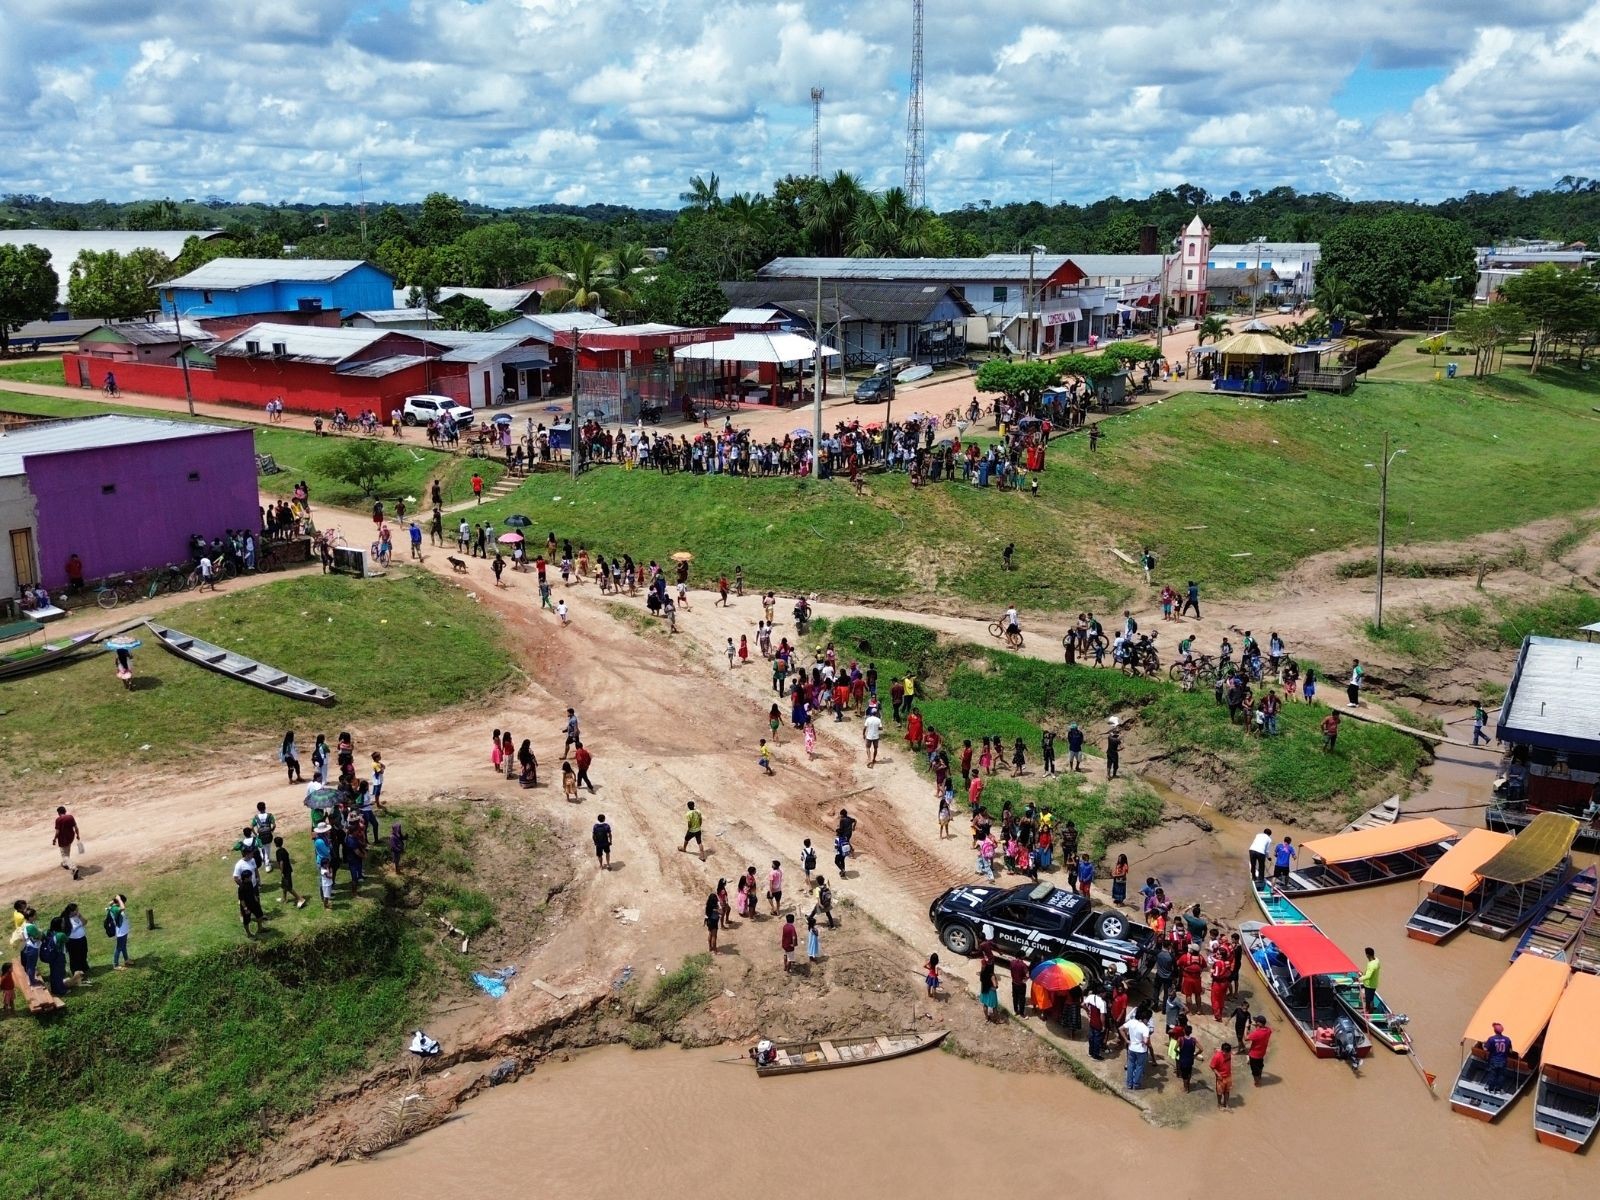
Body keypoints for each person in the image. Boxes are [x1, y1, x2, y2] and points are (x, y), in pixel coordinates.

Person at [1122, 1004, 1152, 1089]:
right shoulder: (1145, 1028)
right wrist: (1144, 1041)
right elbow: (1146, 1041)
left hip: (1131, 1048)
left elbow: (1121, 1029)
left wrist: (1126, 1040)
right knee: (1139, 1067)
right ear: (1145, 1019)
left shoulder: (1132, 1022)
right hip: (1141, 1051)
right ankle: (1136, 1084)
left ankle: (1129, 1084)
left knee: (1130, 1065)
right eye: (1148, 1020)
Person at [274, 838, 306, 909]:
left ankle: (300, 899)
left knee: (288, 887)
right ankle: (284, 899)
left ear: (275, 844)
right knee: (284, 885)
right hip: (288, 869)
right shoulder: (284, 850)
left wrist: (281, 872)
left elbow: (281, 862)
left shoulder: (278, 852)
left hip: (285, 871)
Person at [1482, 1022, 1513, 1093]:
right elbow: (1511, 1051)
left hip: (1493, 1060)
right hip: (1503, 1060)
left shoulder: (1491, 1039)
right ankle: (1498, 1089)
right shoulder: (1507, 1039)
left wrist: (1483, 1044)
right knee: (1501, 1075)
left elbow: (1486, 1049)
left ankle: (1490, 1089)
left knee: (1492, 1074)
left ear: (1494, 1031)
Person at [52, 805, 81, 880]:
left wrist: (54, 839)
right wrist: (78, 835)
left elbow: (57, 831)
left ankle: (73, 868)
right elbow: (76, 828)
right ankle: (65, 864)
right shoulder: (70, 817)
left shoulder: (58, 820)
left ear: (58, 813)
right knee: (67, 851)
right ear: (65, 811)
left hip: (62, 839)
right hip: (70, 837)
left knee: (64, 855)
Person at [106, 893, 132, 967]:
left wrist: (116, 900)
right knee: (119, 948)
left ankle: (126, 960)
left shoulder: (115, 905)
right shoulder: (115, 909)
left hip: (124, 930)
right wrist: (119, 900)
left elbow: (110, 903)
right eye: (123, 902)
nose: (123, 903)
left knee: (123, 946)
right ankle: (115, 964)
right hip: (121, 932)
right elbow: (123, 908)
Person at [1245, 1015, 1272, 1085]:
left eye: (1256, 1021)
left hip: (1254, 1055)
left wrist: (1246, 1027)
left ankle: (1257, 1082)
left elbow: (1246, 1038)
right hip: (1262, 1053)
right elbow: (1262, 1030)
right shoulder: (1268, 1030)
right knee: (1260, 1066)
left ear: (1259, 1024)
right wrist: (1256, 1026)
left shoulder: (1256, 1033)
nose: (1255, 1022)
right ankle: (1259, 1077)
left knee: (1254, 1072)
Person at [237, 869, 265, 937]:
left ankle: (260, 928)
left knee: (260, 915)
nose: (251, 877)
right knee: (246, 920)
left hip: (253, 903)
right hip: (246, 906)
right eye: (250, 877)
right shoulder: (241, 888)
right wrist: (245, 909)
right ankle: (248, 933)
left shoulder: (250, 883)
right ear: (246, 878)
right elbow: (242, 900)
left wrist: (255, 898)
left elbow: (252, 891)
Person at [1083, 987, 1108, 1058]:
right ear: (1101, 993)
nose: (1105, 994)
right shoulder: (1102, 1003)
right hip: (1098, 1023)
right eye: (1104, 993)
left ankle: (1090, 1052)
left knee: (1091, 1037)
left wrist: (1087, 1011)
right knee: (1097, 1039)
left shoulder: (1091, 996)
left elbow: (1082, 1004)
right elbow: (1102, 1016)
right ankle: (1096, 1055)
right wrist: (1103, 1026)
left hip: (1092, 1021)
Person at [978, 956, 1001, 1022]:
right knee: (994, 1007)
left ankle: (986, 1017)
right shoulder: (992, 975)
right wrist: (996, 984)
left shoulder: (982, 973)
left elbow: (981, 980)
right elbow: (995, 986)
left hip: (984, 991)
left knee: (985, 1005)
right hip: (991, 992)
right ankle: (996, 1020)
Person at [1211, 1042, 1234, 1108]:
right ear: (1223, 1051)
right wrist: (1218, 1074)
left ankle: (1226, 1103)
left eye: (1228, 1052)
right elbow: (1212, 1066)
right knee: (1219, 1092)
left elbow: (1216, 1049)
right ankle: (1219, 1104)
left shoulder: (1229, 1052)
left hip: (1228, 1076)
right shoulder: (1217, 1057)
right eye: (1226, 1053)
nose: (1228, 1054)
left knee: (1227, 1091)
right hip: (1220, 1078)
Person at [1358, 947, 1381, 1013]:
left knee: (1369, 999)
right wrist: (1363, 974)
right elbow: (1369, 971)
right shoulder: (1377, 960)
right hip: (1374, 983)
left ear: (1367, 955)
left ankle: (1368, 1011)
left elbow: (1368, 976)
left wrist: (1359, 979)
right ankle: (1367, 1009)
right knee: (1369, 998)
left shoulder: (1372, 965)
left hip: (1369, 985)